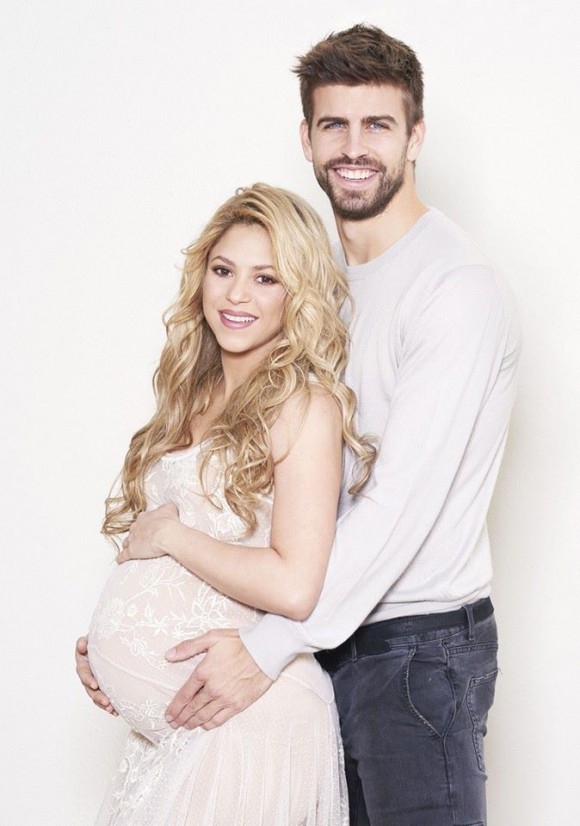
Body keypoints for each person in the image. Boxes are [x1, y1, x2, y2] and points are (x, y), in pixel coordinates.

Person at [77, 24, 521, 825]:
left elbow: (396, 509)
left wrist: (265, 649)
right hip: (326, 641)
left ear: (416, 136)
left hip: (412, 652)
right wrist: (137, 634)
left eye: (378, 125)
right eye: (333, 124)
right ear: (307, 139)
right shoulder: (320, 285)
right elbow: (275, 503)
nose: (353, 147)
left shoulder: (454, 287)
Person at [83, 182, 375, 825]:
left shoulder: (304, 407)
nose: (237, 295)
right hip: (183, 731)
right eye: (223, 271)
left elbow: (296, 584)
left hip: (251, 722)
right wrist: (111, 643)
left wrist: (169, 538)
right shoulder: (190, 395)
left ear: (297, 293)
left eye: (265, 278)